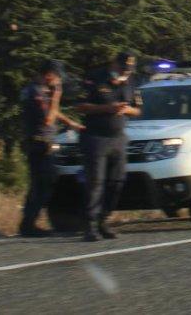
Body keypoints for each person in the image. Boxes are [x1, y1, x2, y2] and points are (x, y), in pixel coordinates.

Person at [75, 51, 141, 241]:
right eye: (122, 68)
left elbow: (138, 109)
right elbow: (80, 106)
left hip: (118, 138)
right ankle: (90, 225)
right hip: (96, 137)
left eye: (128, 69)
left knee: (116, 181)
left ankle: (104, 219)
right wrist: (107, 109)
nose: (125, 72)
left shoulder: (130, 82)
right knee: (95, 182)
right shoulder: (95, 78)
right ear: (114, 64)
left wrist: (126, 109)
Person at [19, 59, 84, 237]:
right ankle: (28, 224)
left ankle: (28, 222)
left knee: (43, 182)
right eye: (56, 76)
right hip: (39, 143)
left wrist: (70, 123)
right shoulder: (36, 92)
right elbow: (48, 118)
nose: (57, 81)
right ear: (48, 74)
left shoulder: (37, 90)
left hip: (40, 142)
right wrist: (56, 96)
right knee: (42, 184)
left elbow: (53, 112)